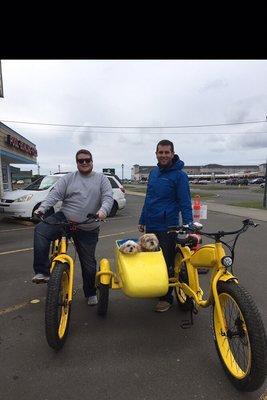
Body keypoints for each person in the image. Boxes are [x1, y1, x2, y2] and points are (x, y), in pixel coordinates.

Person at [32, 149, 114, 306]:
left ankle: (90, 293)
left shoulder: (101, 179)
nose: (84, 163)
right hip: (65, 219)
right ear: (77, 162)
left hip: (88, 225)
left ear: (92, 161)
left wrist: (103, 211)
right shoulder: (68, 178)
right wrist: (42, 209)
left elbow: (108, 198)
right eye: (80, 160)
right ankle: (42, 271)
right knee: (41, 230)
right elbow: (55, 194)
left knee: (89, 264)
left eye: (87, 160)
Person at [138, 139, 193, 312]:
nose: (163, 155)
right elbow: (149, 199)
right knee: (151, 259)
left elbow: (185, 202)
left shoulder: (180, 176)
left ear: (172, 153)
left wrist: (189, 225)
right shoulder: (154, 173)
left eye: (166, 152)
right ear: (156, 153)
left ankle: (166, 298)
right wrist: (142, 219)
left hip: (168, 227)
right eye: (160, 152)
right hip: (151, 224)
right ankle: (157, 287)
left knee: (166, 263)